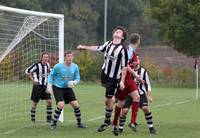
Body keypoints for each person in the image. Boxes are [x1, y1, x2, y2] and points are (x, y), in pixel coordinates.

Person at [77, 26, 128, 132]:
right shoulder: (109, 43)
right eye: (117, 31)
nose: (117, 32)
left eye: (120, 32)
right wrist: (84, 47)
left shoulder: (123, 49)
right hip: (104, 74)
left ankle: (107, 121)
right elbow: (98, 48)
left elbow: (125, 67)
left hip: (113, 78)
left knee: (107, 100)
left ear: (122, 37)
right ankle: (114, 98)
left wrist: (122, 80)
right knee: (107, 100)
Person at [112, 33, 143, 136]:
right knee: (120, 104)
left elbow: (131, 65)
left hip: (129, 80)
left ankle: (132, 122)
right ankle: (115, 124)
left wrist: (136, 76)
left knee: (136, 97)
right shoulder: (128, 50)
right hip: (122, 80)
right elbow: (124, 65)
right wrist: (134, 73)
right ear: (138, 41)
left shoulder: (132, 51)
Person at [48, 50, 87, 130]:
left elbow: (78, 78)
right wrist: (49, 85)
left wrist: (74, 82)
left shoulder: (75, 66)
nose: (70, 58)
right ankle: (54, 123)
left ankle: (79, 123)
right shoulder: (58, 66)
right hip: (58, 87)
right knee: (61, 105)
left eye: (71, 56)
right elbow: (51, 76)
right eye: (68, 56)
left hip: (68, 88)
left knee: (76, 105)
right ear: (65, 57)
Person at [122, 56, 157, 134]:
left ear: (138, 61)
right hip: (129, 94)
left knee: (145, 108)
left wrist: (149, 95)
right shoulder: (127, 70)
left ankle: (151, 128)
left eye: (136, 59)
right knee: (124, 111)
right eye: (133, 60)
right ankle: (120, 129)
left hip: (140, 93)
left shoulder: (143, 71)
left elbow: (147, 84)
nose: (134, 61)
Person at [25, 52, 52, 123]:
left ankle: (49, 118)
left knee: (49, 101)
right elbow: (27, 71)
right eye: (44, 57)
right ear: (41, 58)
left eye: (47, 57)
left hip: (45, 86)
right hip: (38, 86)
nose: (46, 58)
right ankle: (32, 118)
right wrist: (32, 80)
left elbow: (49, 73)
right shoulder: (37, 65)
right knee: (35, 103)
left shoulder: (48, 65)